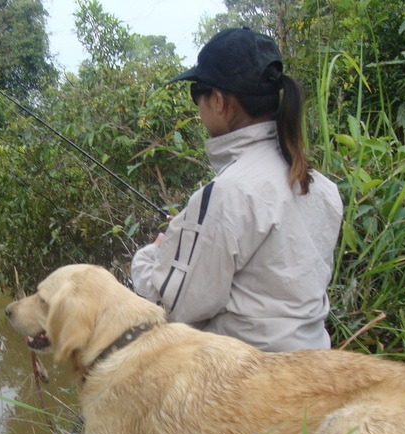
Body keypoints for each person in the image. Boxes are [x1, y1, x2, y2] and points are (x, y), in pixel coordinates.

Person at [131, 27, 344, 352]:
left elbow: (175, 305)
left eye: (196, 95)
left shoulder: (228, 193)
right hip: (314, 371)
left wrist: (152, 255)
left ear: (218, 101)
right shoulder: (322, 187)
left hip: (248, 385)